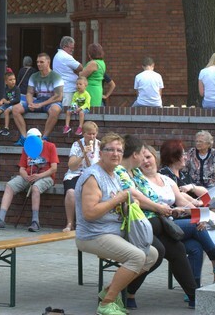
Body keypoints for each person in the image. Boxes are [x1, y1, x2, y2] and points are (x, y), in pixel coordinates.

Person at [74, 133, 158, 315]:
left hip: (113, 231)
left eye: (119, 150)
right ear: (100, 152)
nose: (115, 154)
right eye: (110, 150)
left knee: (152, 254)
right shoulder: (93, 176)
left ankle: (108, 290)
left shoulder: (114, 175)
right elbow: (89, 214)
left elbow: (118, 203)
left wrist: (128, 204)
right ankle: (106, 303)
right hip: (93, 233)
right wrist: (118, 199)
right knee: (136, 256)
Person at [115, 135, 198, 310]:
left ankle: (194, 296)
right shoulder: (120, 172)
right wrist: (160, 208)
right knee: (159, 250)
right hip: (135, 223)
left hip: (154, 221)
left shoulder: (137, 173)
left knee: (178, 248)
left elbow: (153, 198)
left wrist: (166, 208)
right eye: (142, 155)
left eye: (149, 156)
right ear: (135, 154)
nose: (145, 160)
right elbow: (134, 197)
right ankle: (126, 291)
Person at [141, 144, 215, 289]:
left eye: (148, 157)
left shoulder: (178, 176)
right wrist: (197, 210)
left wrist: (194, 194)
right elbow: (187, 200)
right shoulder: (162, 175)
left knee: (198, 244)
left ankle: (195, 289)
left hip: (179, 220)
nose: (186, 157)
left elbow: (204, 195)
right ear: (174, 158)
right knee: (199, 226)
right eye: (183, 155)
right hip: (166, 223)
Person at [0, 129, 59, 232]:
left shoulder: (50, 146)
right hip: (28, 176)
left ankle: (35, 221)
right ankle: (1, 218)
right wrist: (25, 176)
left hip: (45, 176)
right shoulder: (27, 148)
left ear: (40, 137)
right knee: (9, 186)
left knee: (35, 187)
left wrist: (39, 176)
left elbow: (53, 168)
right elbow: (22, 168)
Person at [10, 53, 63, 141]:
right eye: (37, 62)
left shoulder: (56, 76)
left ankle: (44, 138)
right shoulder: (34, 76)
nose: (38, 64)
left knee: (55, 110)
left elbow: (59, 96)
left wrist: (41, 104)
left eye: (41, 62)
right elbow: (30, 93)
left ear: (48, 62)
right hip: (37, 101)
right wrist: (30, 103)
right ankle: (24, 137)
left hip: (51, 102)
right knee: (15, 108)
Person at [62, 121, 100, 232]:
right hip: (76, 174)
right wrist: (83, 154)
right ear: (83, 133)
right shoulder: (76, 144)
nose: (92, 136)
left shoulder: (100, 145)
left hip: (92, 175)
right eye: (89, 134)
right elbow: (72, 166)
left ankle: (89, 224)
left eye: (94, 134)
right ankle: (70, 223)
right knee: (70, 192)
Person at [184, 130, 215, 208]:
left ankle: (214, 220)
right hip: (195, 185)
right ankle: (201, 219)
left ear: (208, 143)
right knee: (195, 203)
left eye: (200, 141)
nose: (198, 143)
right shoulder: (191, 152)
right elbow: (185, 169)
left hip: (211, 185)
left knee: (214, 202)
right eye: (196, 141)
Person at [53, 36, 83, 107]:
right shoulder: (65, 56)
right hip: (68, 89)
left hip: (62, 89)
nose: (72, 50)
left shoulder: (57, 55)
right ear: (64, 47)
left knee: (67, 112)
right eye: (71, 48)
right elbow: (80, 67)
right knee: (67, 111)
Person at [80, 43, 107, 108]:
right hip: (98, 89)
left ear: (90, 53)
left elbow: (82, 76)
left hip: (90, 90)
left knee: (87, 111)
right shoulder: (102, 63)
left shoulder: (93, 63)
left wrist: (79, 72)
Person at [0, 70, 19, 137]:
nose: (13, 81)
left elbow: (17, 99)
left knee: (6, 111)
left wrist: (8, 102)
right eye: (10, 80)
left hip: (14, 104)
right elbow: (4, 97)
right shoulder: (6, 89)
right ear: (6, 82)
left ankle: (6, 128)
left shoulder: (16, 89)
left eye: (14, 79)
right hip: (7, 104)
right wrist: (1, 102)